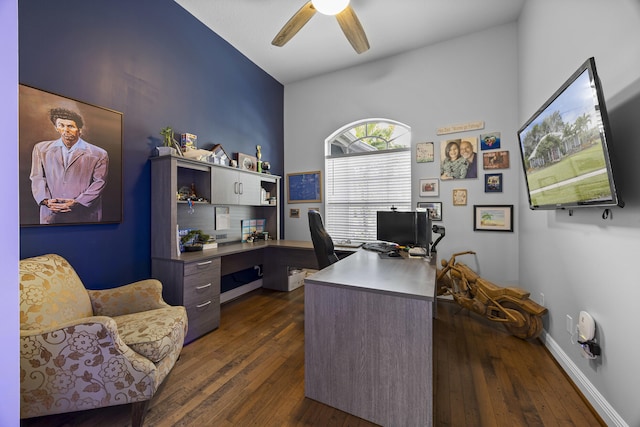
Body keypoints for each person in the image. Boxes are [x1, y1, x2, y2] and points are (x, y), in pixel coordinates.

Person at [30, 107, 109, 224]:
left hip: (85, 215)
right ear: (56, 127)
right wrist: (46, 201)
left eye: (70, 126)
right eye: (61, 125)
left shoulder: (99, 153)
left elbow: (100, 182)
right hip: (51, 214)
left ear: (80, 129)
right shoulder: (41, 149)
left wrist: (77, 202)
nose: (65, 130)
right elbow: (37, 177)